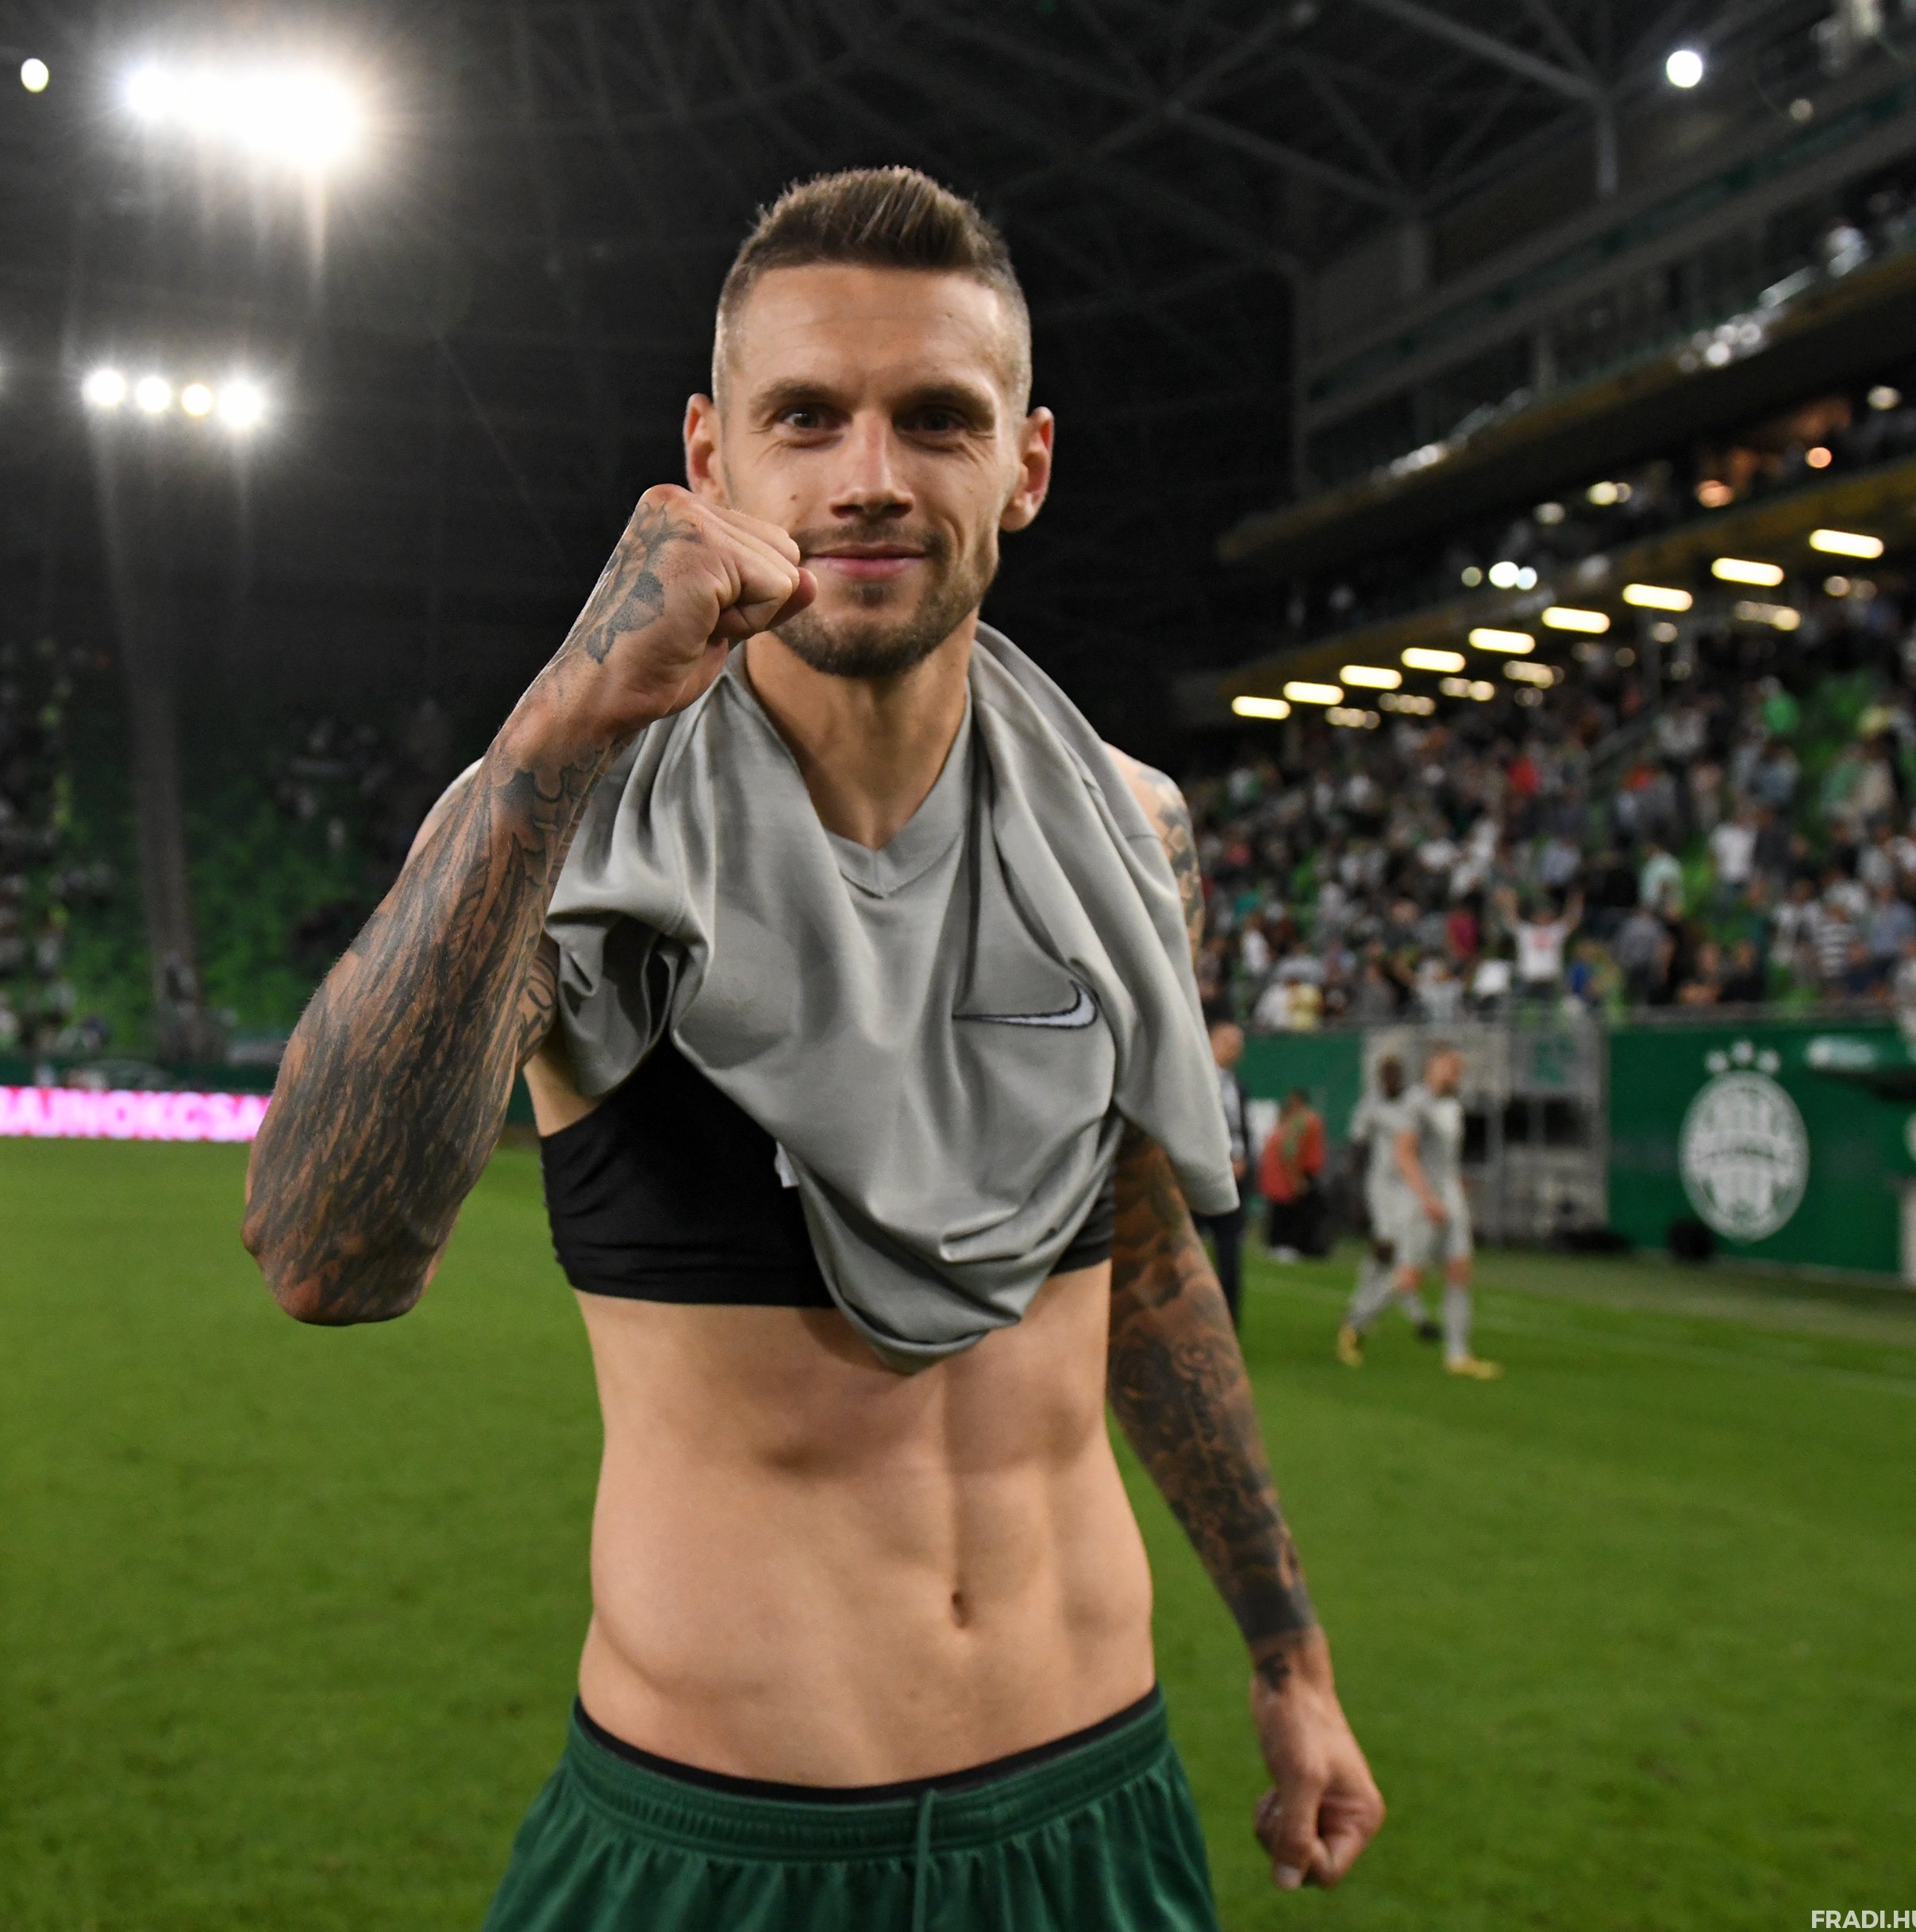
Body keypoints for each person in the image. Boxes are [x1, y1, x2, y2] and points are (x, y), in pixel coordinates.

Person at [241, 169, 1381, 1929]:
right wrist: (559, 724)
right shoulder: (562, 821)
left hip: (1095, 1802)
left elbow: (1143, 1258)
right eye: (804, 417)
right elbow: (325, 1258)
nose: (868, 476)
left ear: (1025, 465)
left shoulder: (1132, 826)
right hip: (721, 1843)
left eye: (936, 418)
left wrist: (1288, 1651)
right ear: (709, 457)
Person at [1388, 1045, 1502, 1380]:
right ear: (1431, 1066)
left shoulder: (1453, 1106)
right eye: (1449, 1065)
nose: (1456, 1071)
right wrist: (1427, 1197)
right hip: (1422, 1200)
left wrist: (1455, 1187)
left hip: (1451, 1198)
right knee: (1410, 1278)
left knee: (1459, 1270)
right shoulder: (1415, 1103)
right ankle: (1357, 1321)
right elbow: (1404, 1155)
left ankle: (1458, 1354)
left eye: (1458, 1066)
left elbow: (1446, 1158)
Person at [1337, 1053, 1442, 1367]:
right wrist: (1354, 1191)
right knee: (1387, 1248)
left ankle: (1372, 1311)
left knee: (1407, 1255)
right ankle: (1369, 1314)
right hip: (1381, 1186)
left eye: (1395, 1075)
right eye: (1386, 1076)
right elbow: (1357, 1145)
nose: (1391, 1081)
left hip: (1410, 1184)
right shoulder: (1371, 1106)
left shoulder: (1415, 1103)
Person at [1195, 1012, 1255, 1328]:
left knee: (1230, 1257)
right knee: (1188, 1255)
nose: (1235, 1048)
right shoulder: (1194, 1079)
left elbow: (1242, 1131)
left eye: (1239, 1043)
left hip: (1233, 1182)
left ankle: (1228, 1328)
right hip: (1198, 1179)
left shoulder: (1238, 1086)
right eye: (1229, 1041)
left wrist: (1243, 1160)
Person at [1258, 1087, 1328, 1260]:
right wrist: (1296, 1177)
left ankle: (1284, 1244)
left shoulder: (1295, 1121)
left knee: (1286, 1210)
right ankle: (1288, 1245)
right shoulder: (1303, 1121)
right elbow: (1290, 1149)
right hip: (1295, 1172)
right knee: (1290, 1211)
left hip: (1288, 1172)